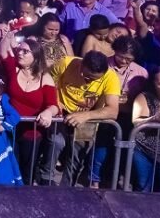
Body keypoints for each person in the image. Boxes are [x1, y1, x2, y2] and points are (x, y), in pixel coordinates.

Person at [47, 51, 121, 186]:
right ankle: (45, 180)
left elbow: (112, 111)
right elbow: (50, 82)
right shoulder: (66, 63)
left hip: (89, 117)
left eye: (92, 79)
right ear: (81, 64)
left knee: (77, 154)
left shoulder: (111, 77)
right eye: (85, 75)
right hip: (61, 112)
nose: (85, 79)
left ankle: (67, 189)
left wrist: (86, 115)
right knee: (55, 143)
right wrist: (55, 101)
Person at [0, 33, 59, 184]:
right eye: (19, 50)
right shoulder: (14, 70)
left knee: (27, 171)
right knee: (9, 167)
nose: (20, 53)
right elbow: (3, 52)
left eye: (25, 51)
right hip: (10, 129)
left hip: (31, 133)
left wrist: (48, 112)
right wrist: (9, 33)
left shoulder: (45, 78)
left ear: (36, 57)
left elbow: (54, 106)